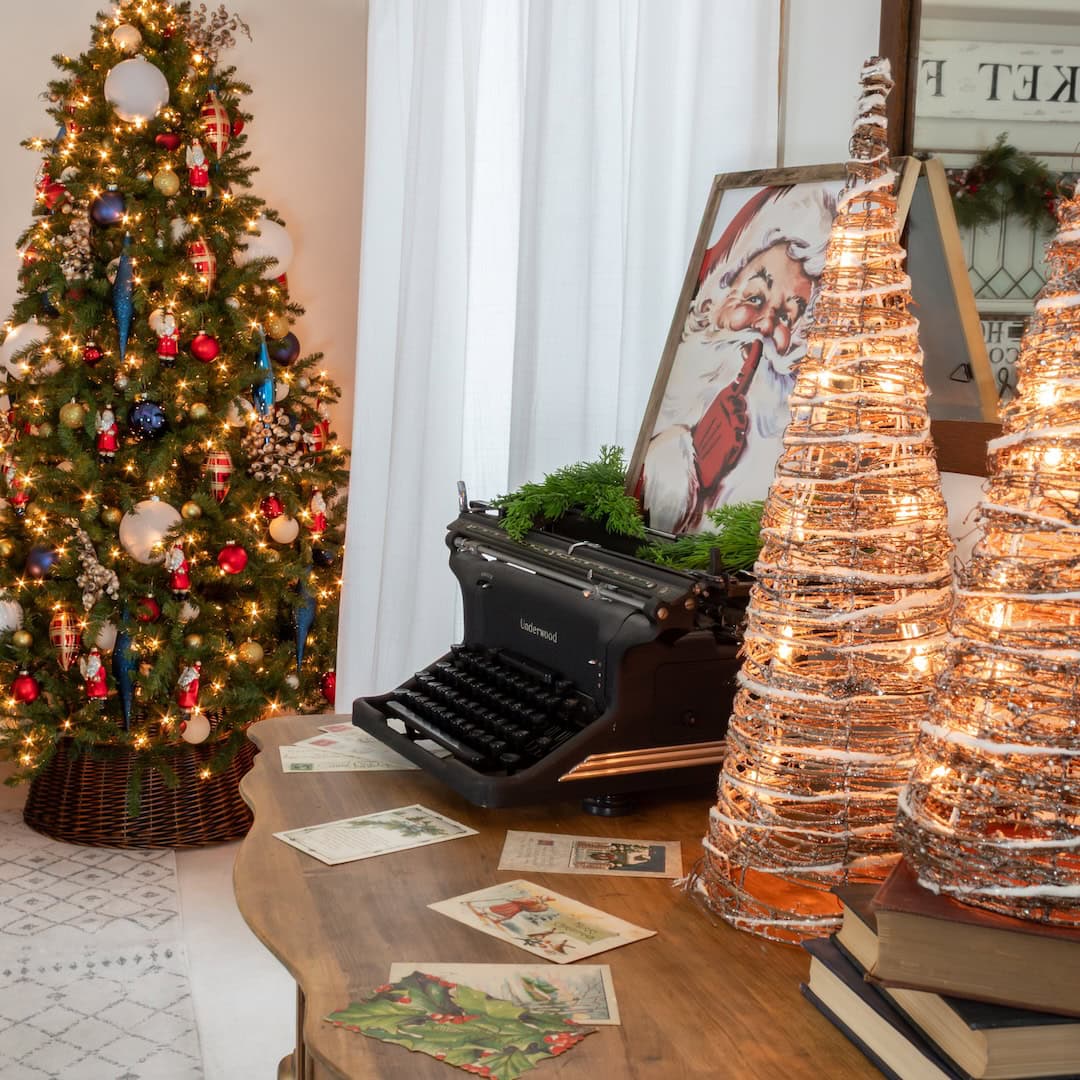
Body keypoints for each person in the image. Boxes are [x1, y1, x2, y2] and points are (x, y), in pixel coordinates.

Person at [642, 182, 837, 533]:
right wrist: (692, 462)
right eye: (755, 298)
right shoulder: (679, 392)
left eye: (786, 318)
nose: (764, 326)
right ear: (721, 292)